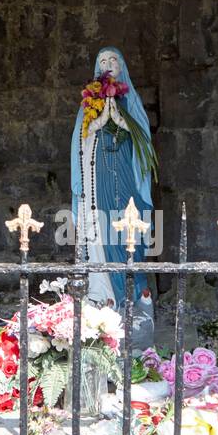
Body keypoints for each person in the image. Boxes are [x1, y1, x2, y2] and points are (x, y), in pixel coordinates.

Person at [69, 46, 157, 308]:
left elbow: (142, 139)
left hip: (124, 174)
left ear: (122, 67)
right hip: (99, 178)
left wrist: (118, 118)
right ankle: (103, 294)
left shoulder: (132, 101)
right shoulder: (90, 103)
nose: (108, 64)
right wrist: (98, 119)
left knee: (127, 228)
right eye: (103, 61)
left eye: (113, 59)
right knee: (100, 229)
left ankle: (131, 293)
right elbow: (81, 139)